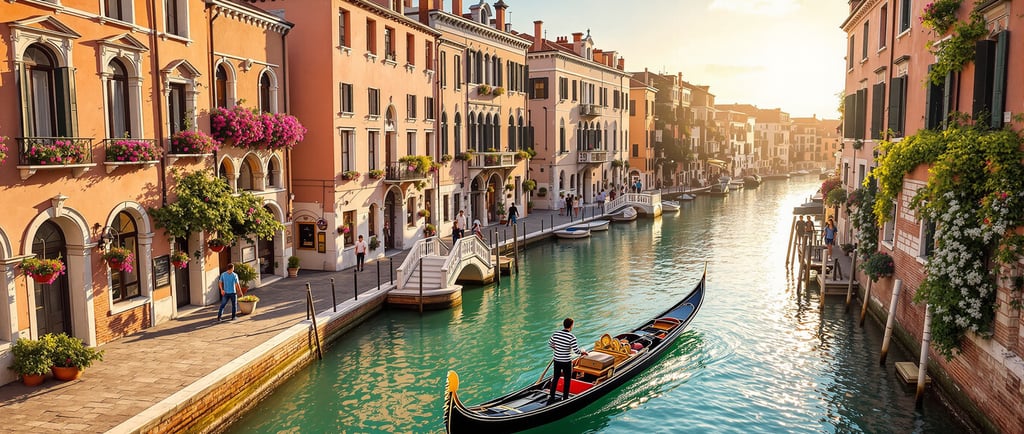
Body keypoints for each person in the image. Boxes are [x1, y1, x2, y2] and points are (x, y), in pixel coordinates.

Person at [548, 317, 587, 403]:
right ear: (571, 326)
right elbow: (577, 351)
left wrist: (557, 349)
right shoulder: (571, 337)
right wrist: (583, 352)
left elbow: (550, 344)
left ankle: (551, 396)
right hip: (566, 362)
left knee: (556, 378)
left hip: (557, 360)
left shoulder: (556, 334)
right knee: (567, 379)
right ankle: (565, 398)